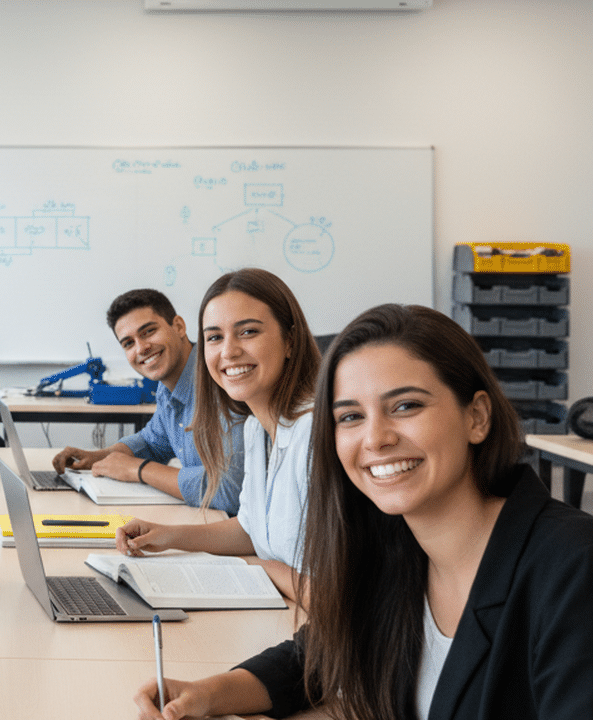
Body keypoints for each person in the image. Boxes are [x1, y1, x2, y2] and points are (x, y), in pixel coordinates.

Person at [133, 304, 593, 720]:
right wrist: (207, 695)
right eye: (350, 417)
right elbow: (322, 650)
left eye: (406, 406)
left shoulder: (571, 566)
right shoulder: (395, 541)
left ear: (476, 417)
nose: (376, 439)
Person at [116, 269, 319, 601]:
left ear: (290, 341)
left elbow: (339, 597)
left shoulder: (315, 435)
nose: (229, 351)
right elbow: (250, 529)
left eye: (248, 332)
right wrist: (169, 536)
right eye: (214, 337)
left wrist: (260, 566)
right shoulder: (256, 428)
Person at [51, 288, 244, 514]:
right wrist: (99, 457)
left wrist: (139, 469)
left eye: (149, 331)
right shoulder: (167, 386)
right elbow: (153, 442)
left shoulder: (221, 380)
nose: (141, 348)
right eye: (128, 343)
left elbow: (230, 489)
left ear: (179, 326)